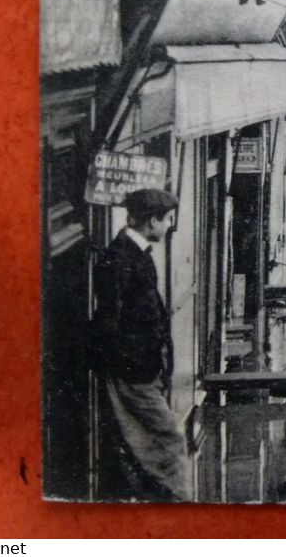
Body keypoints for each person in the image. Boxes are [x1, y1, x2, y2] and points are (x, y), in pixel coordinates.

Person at [91, 188, 192, 501]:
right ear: (152, 221)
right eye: (169, 220)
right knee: (170, 436)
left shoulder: (136, 254)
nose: (171, 226)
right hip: (133, 372)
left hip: (144, 368)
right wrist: (132, 366)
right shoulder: (119, 259)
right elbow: (109, 322)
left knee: (142, 438)